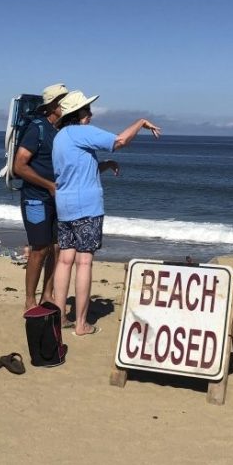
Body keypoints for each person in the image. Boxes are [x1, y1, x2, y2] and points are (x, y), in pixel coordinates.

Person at [52, 90, 161, 335]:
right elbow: (119, 141)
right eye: (87, 110)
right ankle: (81, 324)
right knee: (84, 262)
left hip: (65, 205)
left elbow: (74, 171)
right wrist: (140, 122)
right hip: (86, 207)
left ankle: (59, 319)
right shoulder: (82, 132)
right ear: (77, 114)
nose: (90, 114)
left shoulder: (60, 137)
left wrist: (103, 165)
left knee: (65, 260)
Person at [13, 83, 68, 310]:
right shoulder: (38, 128)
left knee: (56, 248)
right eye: (63, 101)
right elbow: (19, 165)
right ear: (52, 106)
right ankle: (29, 300)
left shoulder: (61, 129)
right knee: (39, 248)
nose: (67, 105)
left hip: (56, 198)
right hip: (35, 198)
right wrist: (48, 185)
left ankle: (47, 295)